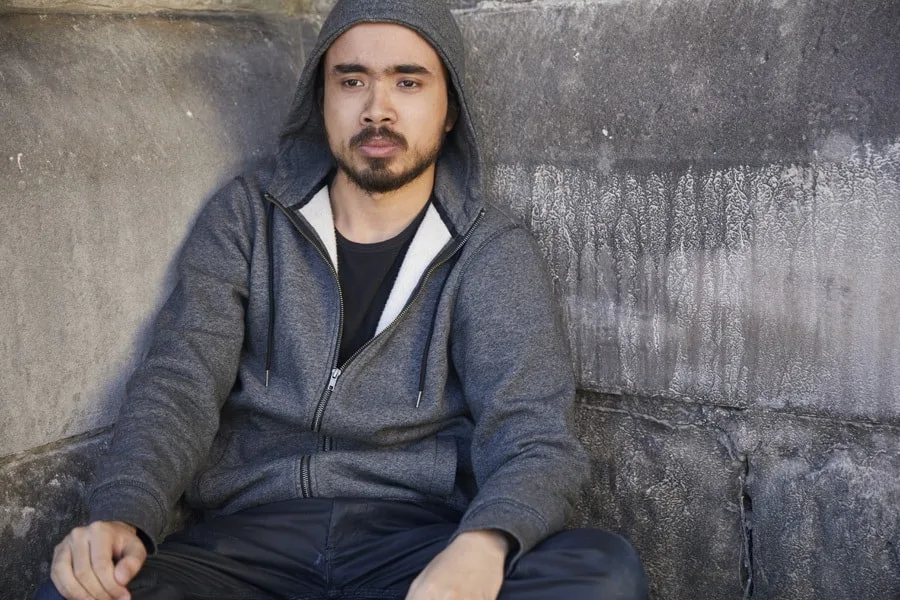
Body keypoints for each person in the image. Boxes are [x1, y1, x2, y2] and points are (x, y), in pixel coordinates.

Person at [37, 1, 649, 598]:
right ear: (321, 98)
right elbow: (179, 383)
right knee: (78, 590)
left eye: (408, 82)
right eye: (351, 80)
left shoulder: (490, 248)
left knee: (602, 570)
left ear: (450, 108)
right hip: (246, 548)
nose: (376, 110)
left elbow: (532, 433)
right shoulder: (248, 217)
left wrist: (483, 545)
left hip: (416, 544)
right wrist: (121, 514)